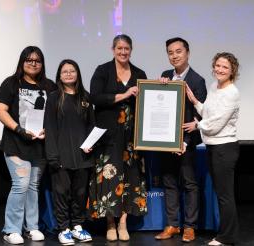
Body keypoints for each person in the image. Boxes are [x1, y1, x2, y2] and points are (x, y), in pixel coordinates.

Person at [0, 46, 57, 244]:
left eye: (37, 60)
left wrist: (49, 129)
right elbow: (0, 111)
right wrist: (19, 130)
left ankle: (32, 227)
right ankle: (11, 229)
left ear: (42, 63)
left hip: (40, 146)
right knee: (20, 185)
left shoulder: (49, 86)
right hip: (16, 143)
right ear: (22, 61)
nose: (33, 63)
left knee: (33, 186)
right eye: (29, 60)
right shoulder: (11, 83)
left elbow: (56, 114)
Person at [88, 34, 148, 241]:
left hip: (132, 137)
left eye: (126, 49)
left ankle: (123, 223)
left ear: (131, 50)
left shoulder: (140, 73)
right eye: (119, 48)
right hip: (108, 136)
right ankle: (110, 223)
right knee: (109, 177)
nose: (123, 52)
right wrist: (124, 95)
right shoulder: (102, 71)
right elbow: (94, 97)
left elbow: (148, 103)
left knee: (131, 178)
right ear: (113, 49)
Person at [154, 37, 207, 243]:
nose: (174, 56)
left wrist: (184, 143)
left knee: (189, 184)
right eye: (170, 52)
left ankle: (190, 227)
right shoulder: (165, 76)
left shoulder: (197, 80)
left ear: (187, 53)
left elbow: (199, 115)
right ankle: (172, 225)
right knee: (169, 183)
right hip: (165, 142)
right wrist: (160, 87)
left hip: (186, 144)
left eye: (178, 51)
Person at [185, 52, 241, 246]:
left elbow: (216, 123)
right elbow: (208, 112)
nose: (220, 69)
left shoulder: (232, 92)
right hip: (213, 147)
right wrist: (195, 101)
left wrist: (197, 126)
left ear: (232, 70)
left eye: (225, 67)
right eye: (217, 65)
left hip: (225, 148)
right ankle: (225, 235)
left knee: (225, 195)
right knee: (221, 193)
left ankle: (227, 237)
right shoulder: (213, 87)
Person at [44, 59, 95, 245]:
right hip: (61, 156)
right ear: (59, 75)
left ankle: (78, 226)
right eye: (64, 71)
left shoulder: (86, 97)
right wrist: (53, 156)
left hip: (83, 156)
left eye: (72, 70)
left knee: (81, 193)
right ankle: (64, 228)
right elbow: (49, 128)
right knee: (62, 193)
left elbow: (91, 125)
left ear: (77, 74)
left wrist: (91, 144)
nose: (68, 74)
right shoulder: (53, 98)